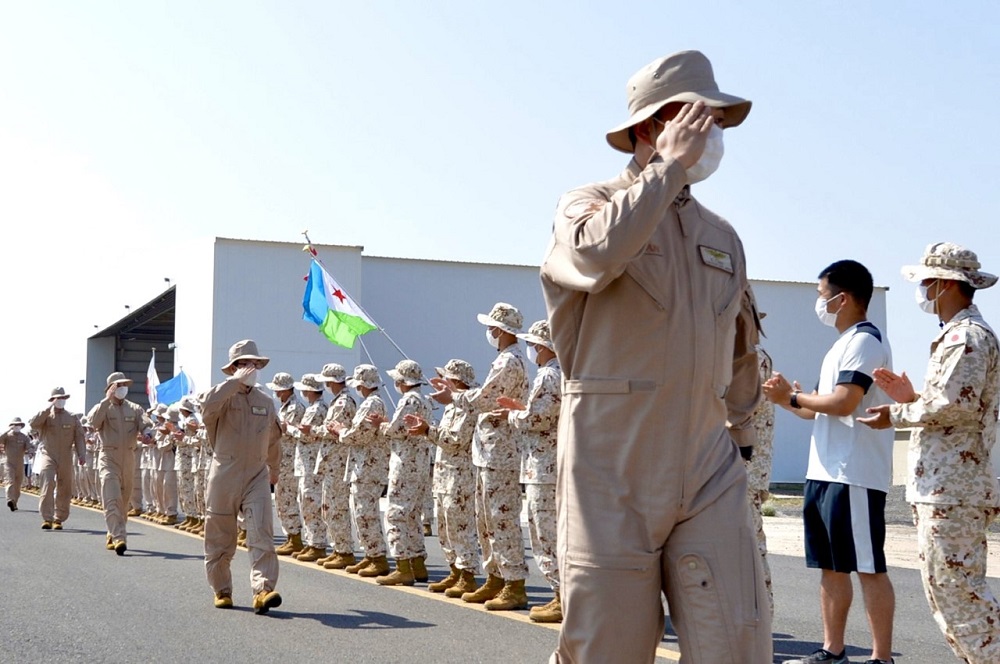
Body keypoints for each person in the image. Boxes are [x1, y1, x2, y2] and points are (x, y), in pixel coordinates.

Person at [539, 50, 770, 662]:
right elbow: (592, 256)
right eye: (694, 116)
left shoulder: (721, 237)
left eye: (717, 119)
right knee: (608, 645)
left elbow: (741, 340)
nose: (710, 132)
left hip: (706, 464)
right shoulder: (585, 204)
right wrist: (664, 171)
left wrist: (742, 435)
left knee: (737, 639)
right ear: (649, 128)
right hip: (611, 465)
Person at [859, 242, 1000, 663]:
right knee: (949, 593)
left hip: (954, 489)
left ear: (943, 284)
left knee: (960, 597)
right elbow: (951, 403)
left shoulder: (966, 338)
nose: (921, 291)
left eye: (925, 282)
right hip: (945, 486)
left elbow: (953, 407)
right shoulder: (957, 336)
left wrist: (898, 412)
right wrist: (913, 397)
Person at [764, 260, 895, 664]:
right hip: (824, 472)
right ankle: (832, 650)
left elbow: (844, 402)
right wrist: (788, 398)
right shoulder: (841, 344)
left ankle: (881, 657)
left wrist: (796, 398)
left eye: (823, 295)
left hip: (853, 472)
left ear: (844, 297)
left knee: (868, 567)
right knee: (831, 568)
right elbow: (816, 410)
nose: (820, 303)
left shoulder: (866, 341)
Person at [430, 302, 530, 611]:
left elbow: (485, 398)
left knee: (501, 520)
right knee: (486, 520)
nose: (488, 332)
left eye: (490, 327)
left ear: (499, 331)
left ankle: (513, 584)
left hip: (500, 453)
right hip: (489, 452)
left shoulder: (509, 361)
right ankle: (496, 578)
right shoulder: (504, 360)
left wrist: (454, 396)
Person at [200, 339, 282, 614]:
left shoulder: (265, 401)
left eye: (254, 363)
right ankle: (222, 589)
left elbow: (273, 438)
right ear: (233, 367)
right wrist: (234, 383)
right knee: (221, 536)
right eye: (244, 363)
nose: (251, 368)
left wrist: (275, 470)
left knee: (261, 533)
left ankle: (264, 589)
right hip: (224, 473)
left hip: (257, 474)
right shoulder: (221, 397)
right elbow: (207, 407)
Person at [497, 320, 563, 622]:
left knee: (546, 533)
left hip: (544, 467)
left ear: (543, 346)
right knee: (547, 531)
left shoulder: (549, 376)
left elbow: (538, 419)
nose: (532, 350)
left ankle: (563, 597)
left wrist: (514, 415)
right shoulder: (555, 375)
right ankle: (562, 595)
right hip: (544, 465)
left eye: (534, 344)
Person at [406, 359, 481, 598]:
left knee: (460, 526)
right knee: (446, 527)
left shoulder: (467, 407)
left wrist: (428, 430)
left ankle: (467, 574)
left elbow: (455, 440)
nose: (442, 384)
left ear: (457, 382)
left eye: (446, 379)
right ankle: (454, 571)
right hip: (445, 474)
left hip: (460, 476)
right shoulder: (452, 406)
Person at [368, 359, 434, 586]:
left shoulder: (409, 400)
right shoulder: (423, 400)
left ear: (403, 381)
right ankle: (418, 563)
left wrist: (381, 424)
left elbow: (396, 430)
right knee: (412, 515)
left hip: (406, 463)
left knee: (395, 514)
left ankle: (402, 566)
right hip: (420, 462)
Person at [329, 364, 390, 578]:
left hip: (368, 467)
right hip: (363, 465)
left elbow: (360, 435)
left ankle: (377, 557)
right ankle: (370, 554)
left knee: (366, 513)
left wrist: (340, 431)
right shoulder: (369, 403)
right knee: (361, 512)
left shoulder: (372, 404)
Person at [87, 372, 154, 554]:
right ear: (110, 388)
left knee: (124, 501)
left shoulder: (134, 408)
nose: (122, 388)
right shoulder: (103, 407)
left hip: (129, 458)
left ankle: (113, 531)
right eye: (118, 385)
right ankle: (119, 538)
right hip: (108, 457)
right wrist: (105, 400)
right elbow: (92, 422)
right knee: (112, 498)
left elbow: (147, 424)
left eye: (125, 385)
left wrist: (148, 434)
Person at [315, 363, 358, 570]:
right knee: (329, 507)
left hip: (338, 461)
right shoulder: (337, 401)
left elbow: (334, 429)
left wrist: (314, 430)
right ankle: (338, 548)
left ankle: (344, 550)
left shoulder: (343, 402)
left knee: (337, 507)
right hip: (332, 461)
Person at [30, 387, 86, 530]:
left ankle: (58, 518)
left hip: (66, 455)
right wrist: (48, 408)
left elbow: (79, 437)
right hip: (48, 454)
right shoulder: (46, 417)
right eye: (57, 398)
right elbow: (33, 424)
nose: (60, 401)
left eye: (63, 398)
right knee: (47, 484)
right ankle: (47, 518)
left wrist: (81, 454)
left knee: (64, 487)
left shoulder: (72, 417)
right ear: (52, 400)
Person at [289, 373, 328, 563]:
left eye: (305, 389)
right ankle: (313, 542)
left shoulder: (317, 408)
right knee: (307, 501)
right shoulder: (314, 407)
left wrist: (287, 427)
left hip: (311, 463)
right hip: (307, 462)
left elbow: (306, 434)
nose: (303, 392)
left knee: (311, 503)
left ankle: (317, 544)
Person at [267, 371, 306, 556]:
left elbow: (296, 431)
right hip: (281, 457)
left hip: (289, 459)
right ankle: (291, 536)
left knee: (288, 498)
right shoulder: (283, 407)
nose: (276, 394)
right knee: (282, 499)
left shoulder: (296, 408)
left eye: (279, 391)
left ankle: (295, 537)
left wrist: (284, 428)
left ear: (287, 390)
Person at [2, 417, 31, 511]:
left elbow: (29, 446)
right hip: (9, 463)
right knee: (10, 482)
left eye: (18, 425)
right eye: (15, 425)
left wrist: (30, 452)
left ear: (21, 426)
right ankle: (9, 499)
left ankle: (14, 502)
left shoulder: (24, 437)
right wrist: (7, 431)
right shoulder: (7, 436)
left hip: (20, 463)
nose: (17, 426)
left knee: (18, 485)